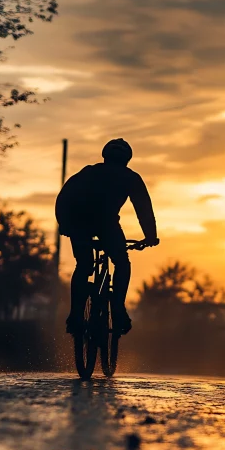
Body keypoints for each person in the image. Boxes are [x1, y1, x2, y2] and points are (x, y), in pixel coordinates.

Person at [55, 138, 159, 335]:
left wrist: (65, 224)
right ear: (127, 159)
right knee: (121, 262)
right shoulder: (130, 177)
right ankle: (118, 310)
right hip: (106, 225)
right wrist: (150, 237)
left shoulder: (87, 172)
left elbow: (64, 197)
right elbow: (144, 209)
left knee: (84, 266)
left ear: (104, 156)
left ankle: (76, 315)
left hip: (78, 223)